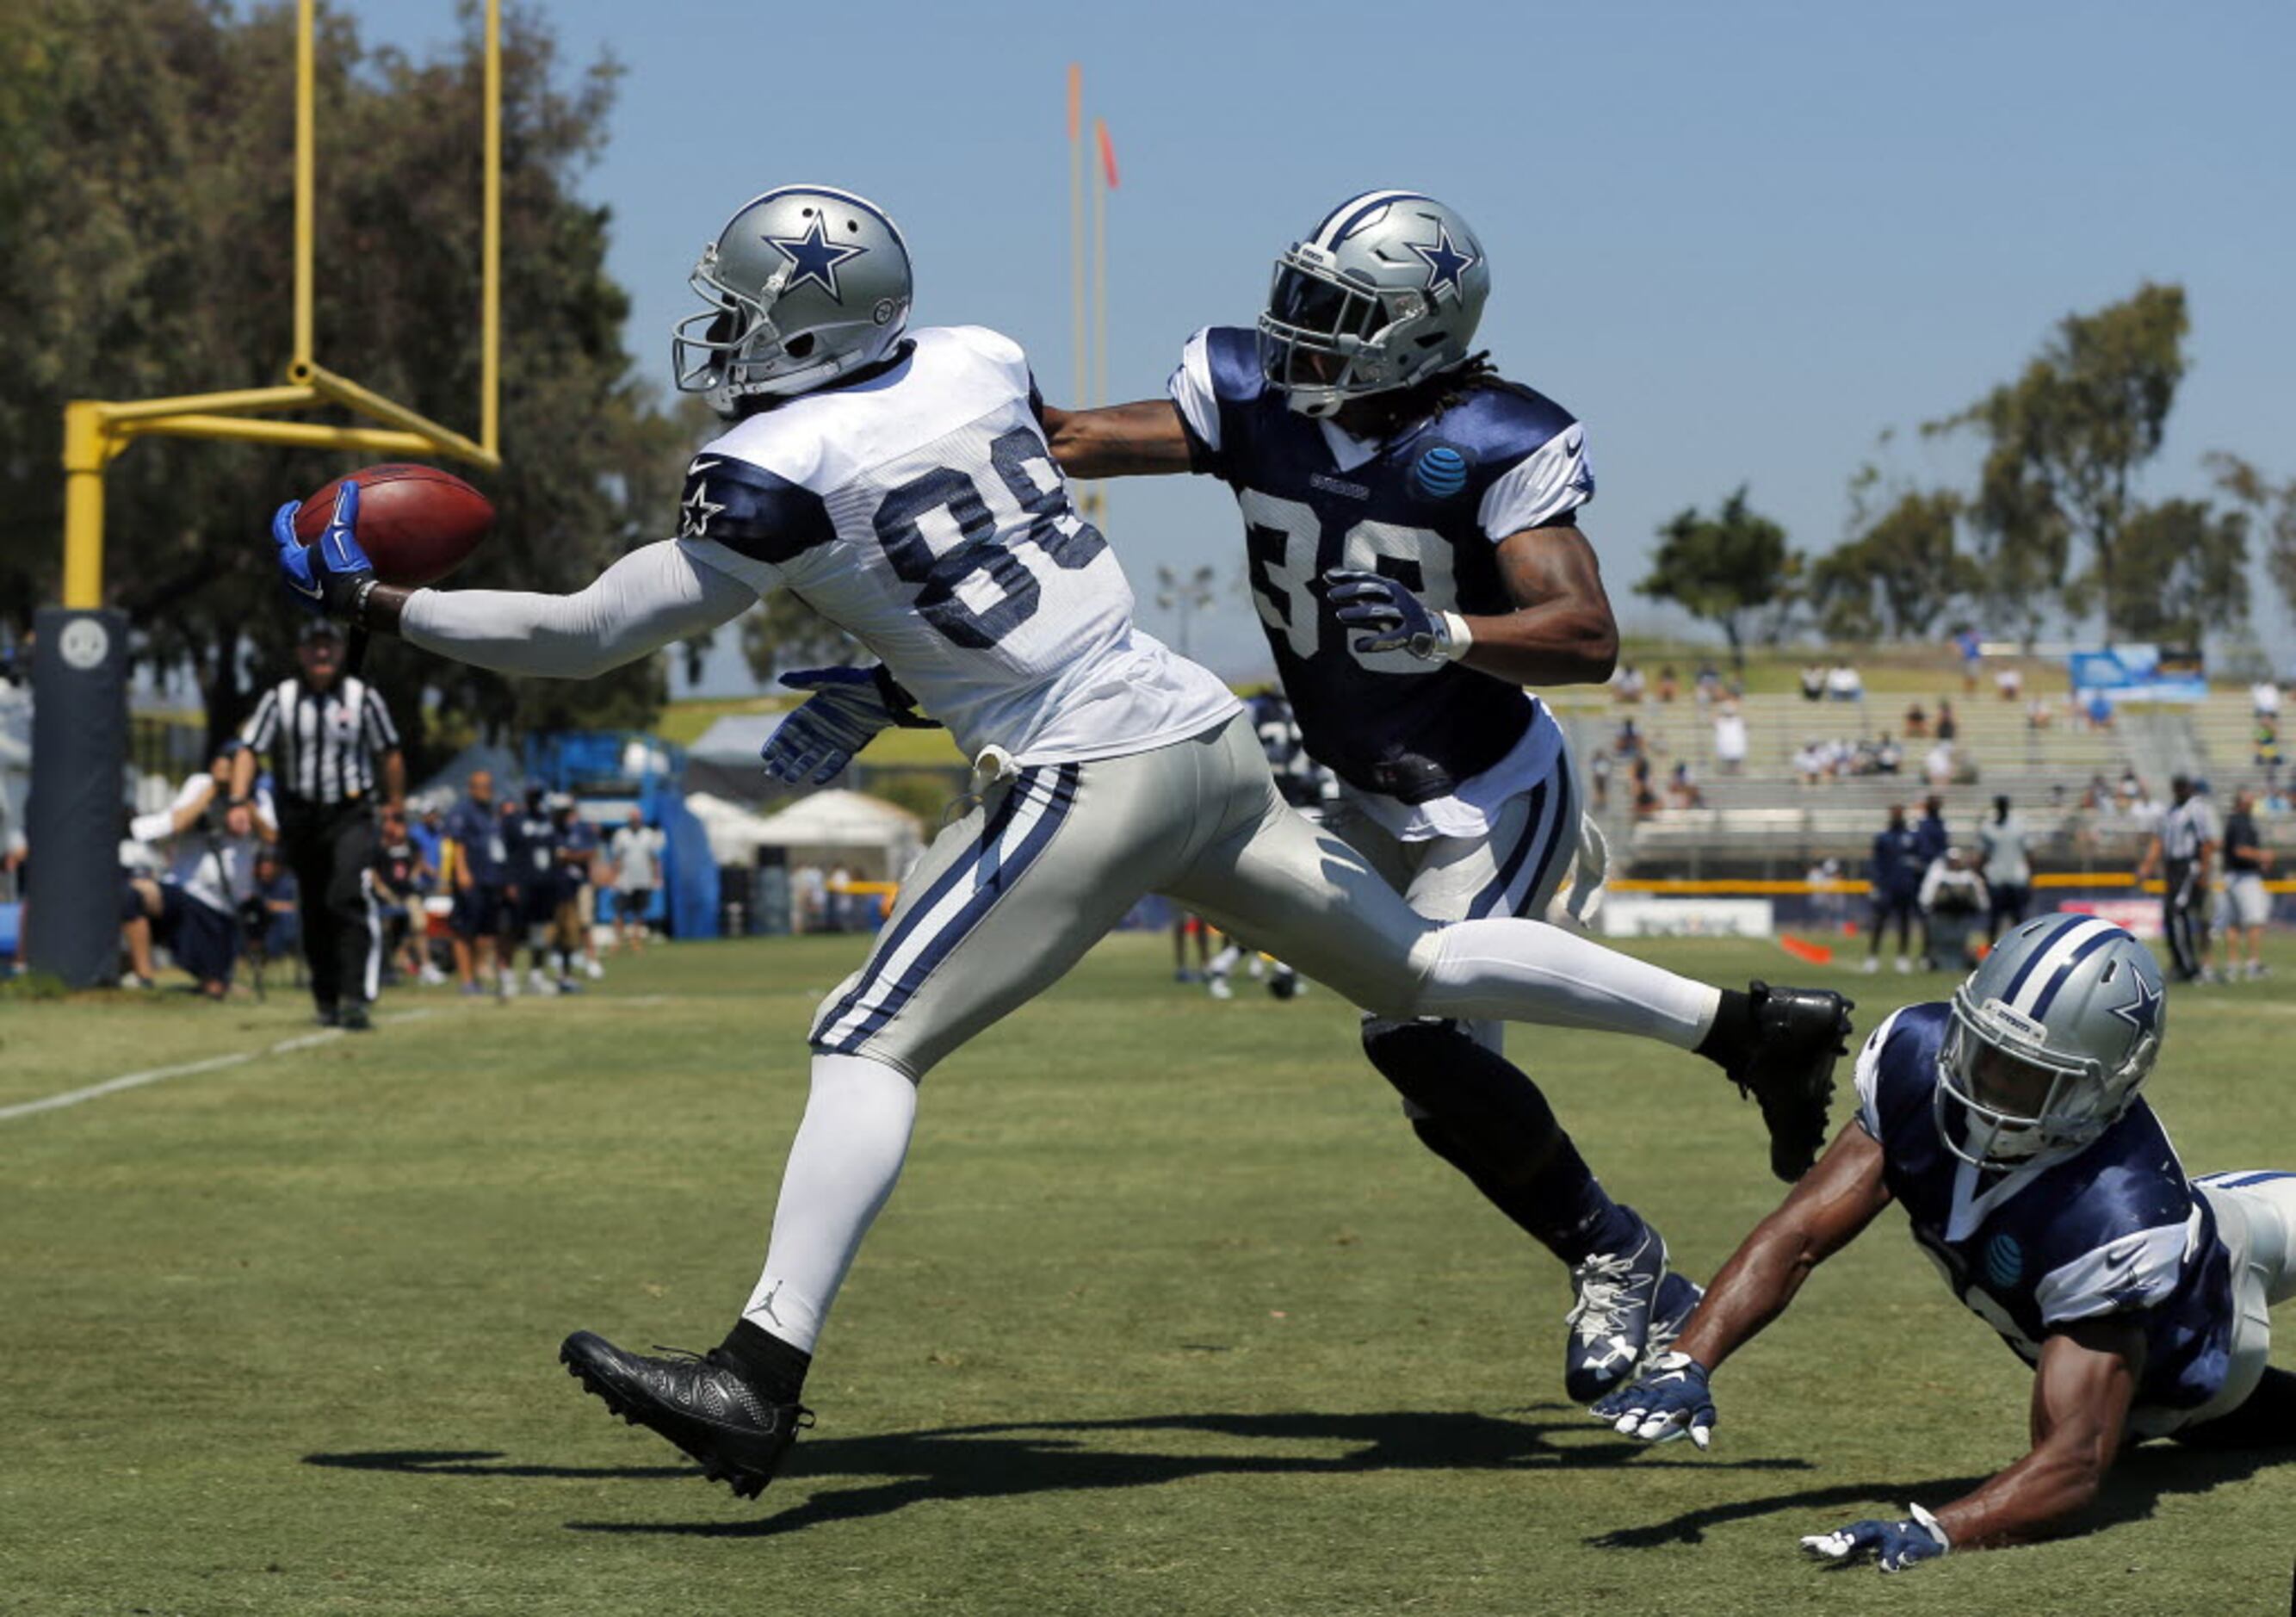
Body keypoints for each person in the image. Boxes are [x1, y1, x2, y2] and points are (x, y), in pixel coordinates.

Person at [265, 183, 1847, 1500]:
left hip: (1082, 768)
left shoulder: (775, 465)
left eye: (739, 308)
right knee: (1422, 968)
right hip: (1201, 735)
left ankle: (757, 1367)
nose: (719, 334)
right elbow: (986, 542)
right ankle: (1743, 1022)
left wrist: (375, 595)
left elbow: (577, 631)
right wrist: (895, 683)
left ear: (805, 323)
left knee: (865, 1042)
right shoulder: (971, 357)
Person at [1045, 187, 1863, 1402]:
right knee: (1436, 1087)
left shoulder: (1491, 437)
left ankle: (1622, 1240)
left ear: (1417, 331)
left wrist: (1447, 629)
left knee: (1416, 1036)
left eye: (1334, 311)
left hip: (1489, 786)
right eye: (1299, 294)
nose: (1293, 330)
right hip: (1365, 787)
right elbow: (1061, 439)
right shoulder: (1249, 395)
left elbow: (1584, 636)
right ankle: (1643, 1217)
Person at [1591, 920, 2296, 1572]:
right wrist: (1690, 1359)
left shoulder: (2120, 1218)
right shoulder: (1920, 1062)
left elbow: (2074, 1464)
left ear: (2108, 1085)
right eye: (1984, 1051)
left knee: (2174, 1406)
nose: (1985, 1084)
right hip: (2171, 1243)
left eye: (2026, 1075)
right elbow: (1798, 1234)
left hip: (2206, 1330)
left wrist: (1941, 1529)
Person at [230, 617, 403, 1030]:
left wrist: (395, 808)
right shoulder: (281, 699)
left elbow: (390, 752)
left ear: (341, 652)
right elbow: (250, 749)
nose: (321, 654)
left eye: (329, 646)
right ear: (301, 653)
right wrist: (238, 800)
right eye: (314, 647)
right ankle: (326, 997)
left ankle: (355, 995)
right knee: (314, 906)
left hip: (351, 812)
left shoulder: (363, 698)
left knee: (345, 894)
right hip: (301, 816)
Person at [121, 745, 275, 999]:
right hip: (183, 890)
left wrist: (240, 801)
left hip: (221, 906)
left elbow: (272, 835)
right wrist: (214, 789)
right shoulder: (200, 785)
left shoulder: (258, 795)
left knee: (214, 988)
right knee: (133, 895)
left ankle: (220, 982)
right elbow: (177, 822)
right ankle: (144, 978)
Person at [2136, 774, 2219, 984]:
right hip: (2173, 868)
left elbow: (2206, 842)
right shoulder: (2170, 811)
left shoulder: (2196, 808)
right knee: (2169, 914)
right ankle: (2180, 964)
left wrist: (2204, 871)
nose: (2180, 791)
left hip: (2188, 865)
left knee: (2178, 911)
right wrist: (2147, 866)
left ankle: (2191, 966)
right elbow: (2159, 841)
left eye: (2183, 787)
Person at [443, 771, 512, 995]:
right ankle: (466, 980)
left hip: (490, 879)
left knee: (484, 931)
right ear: (471, 788)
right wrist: (462, 872)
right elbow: (458, 843)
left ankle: (476, 978)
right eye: (481, 786)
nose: (486, 790)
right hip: (471, 879)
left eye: (489, 786)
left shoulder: (491, 812)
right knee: (464, 930)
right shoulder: (463, 811)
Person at [2220, 788, 2272, 981]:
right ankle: (2253, 964)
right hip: (2244, 877)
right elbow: (2241, 850)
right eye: (2250, 798)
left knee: (2233, 923)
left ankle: (2232, 966)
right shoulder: (2242, 821)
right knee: (2254, 922)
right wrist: (2262, 856)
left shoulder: (2232, 820)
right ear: (2242, 802)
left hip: (2232, 877)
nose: (2253, 801)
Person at [1866, 804, 1924, 975]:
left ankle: (1902, 957)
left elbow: (1919, 859)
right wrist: (1876, 884)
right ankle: (1873, 956)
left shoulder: (1911, 836)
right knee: (1879, 922)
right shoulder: (1883, 838)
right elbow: (1876, 863)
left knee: (1904, 922)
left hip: (1905, 887)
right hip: (1887, 887)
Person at [1915, 846, 1989, 970]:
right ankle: (1931, 959)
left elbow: (1982, 901)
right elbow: (1926, 898)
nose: (1954, 864)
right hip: (1942, 917)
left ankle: (1973, 959)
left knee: (1973, 941)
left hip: (1964, 917)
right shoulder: (1938, 876)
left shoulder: (1969, 877)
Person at [1977, 793, 2033, 942]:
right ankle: (1991, 953)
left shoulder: (2019, 825)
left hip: (2017, 878)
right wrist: (1980, 874)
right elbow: (1983, 854)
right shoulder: (1988, 827)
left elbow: (2028, 852)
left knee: (2019, 921)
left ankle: (2021, 951)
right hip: (1996, 879)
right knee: (1994, 921)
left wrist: (2030, 876)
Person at [608, 807, 663, 954]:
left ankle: (636, 941)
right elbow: (616, 858)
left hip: (643, 879)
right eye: (632, 818)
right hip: (625, 880)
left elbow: (654, 859)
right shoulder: (621, 835)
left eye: (637, 818)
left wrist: (657, 877)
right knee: (619, 912)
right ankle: (617, 941)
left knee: (639, 913)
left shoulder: (648, 835)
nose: (635, 821)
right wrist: (614, 878)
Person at [1711, 701, 1747, 777]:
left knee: (1729, 748)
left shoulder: (1720, 721)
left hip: (1726, 750)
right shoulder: (1739, 721)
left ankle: (1731, 769)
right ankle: (1735, 769)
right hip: (1737, 750)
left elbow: (1712, 720)